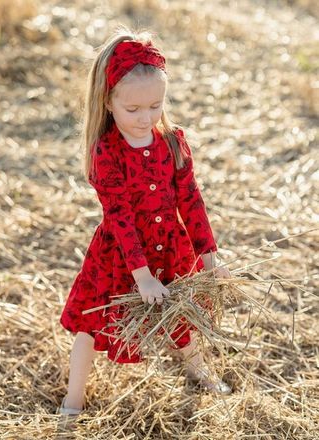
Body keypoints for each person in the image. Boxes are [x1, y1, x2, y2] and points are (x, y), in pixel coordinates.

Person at [58, 25, 232, 416]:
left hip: (169, 246)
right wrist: (142, 276)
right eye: (132, 110)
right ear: (107, 102)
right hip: (123, 254)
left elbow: (190, 198)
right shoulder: (107, 151)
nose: (145, 118)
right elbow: (118, 215)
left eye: (155, 107)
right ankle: (74, 397)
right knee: (90, 322)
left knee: (180, 314)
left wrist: (208, 255)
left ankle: (199, 371)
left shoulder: (172, 140)